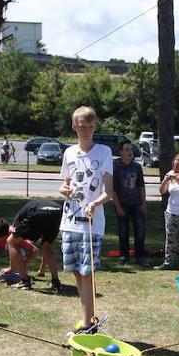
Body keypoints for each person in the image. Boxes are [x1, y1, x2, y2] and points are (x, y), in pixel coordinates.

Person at [59, 105, 114, 332]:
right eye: (82, 127)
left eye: (90, 127)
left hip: (91, 223)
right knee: (74, 270)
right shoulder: (69, 153)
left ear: (95, 127)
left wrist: (94, 203)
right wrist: (64, 189)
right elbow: (65, 183)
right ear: (74, 127)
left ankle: (88, 323)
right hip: (69, 219)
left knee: (87, 272)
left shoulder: (104, 152)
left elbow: (108, 192)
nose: (86, 131)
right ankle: (88, 318)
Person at [8, 199, 63, 291]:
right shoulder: (31, 205)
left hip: (39, 213)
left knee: (11, 242)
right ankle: (55, 282)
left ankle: (24, 281)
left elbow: (15, 229)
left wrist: (11, 267)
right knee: (47, 247)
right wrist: (42, 270)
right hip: (58, 211)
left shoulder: (19, 217)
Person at [112, 142, 148, 265]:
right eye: (127, 149)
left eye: (131, 150)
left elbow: (141, 186)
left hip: (136, 203)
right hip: (122, 204)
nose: (130, 152)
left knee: (140, 230)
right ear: (121, 152)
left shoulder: (137, 167)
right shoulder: (115, 167)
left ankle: (140, 256)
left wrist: (143, 204)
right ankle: (124, 256)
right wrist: (118, 206)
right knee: (123, 231)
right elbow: (113, 189)